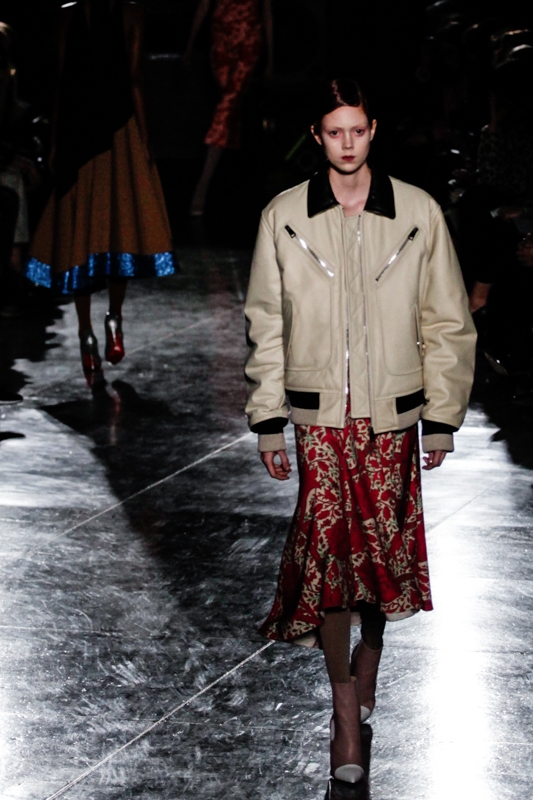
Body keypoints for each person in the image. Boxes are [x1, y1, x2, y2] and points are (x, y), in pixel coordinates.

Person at [244, 78, 476, 785]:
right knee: (330, 562)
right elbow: (266, 323)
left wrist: (440, 418)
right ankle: (344, 710)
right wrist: (268, 420)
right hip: (319, 419)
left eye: (357, 129)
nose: (346, 143)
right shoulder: (285, 216)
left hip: (390, 418)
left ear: (373, 130)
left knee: (379, 558)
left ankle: (368, 656)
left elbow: (446, 319)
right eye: (333, 131)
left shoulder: (417, 212)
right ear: (317, 137)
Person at [25, 0, 175, 386]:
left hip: (77, 135)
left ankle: (86, 334)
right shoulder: (132, 11)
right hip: (118, 135)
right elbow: (134, 78)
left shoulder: (67, 13)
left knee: (81, 236)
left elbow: (62, 80)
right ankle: (114, 318)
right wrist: (144, 140)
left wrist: (55, 142)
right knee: (116, 231)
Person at [184, 0, 273, 216]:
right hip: (221, 41)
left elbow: (266, 11)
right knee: (232, 112)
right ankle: (238, 183)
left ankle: (202, 187)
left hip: (248, 40)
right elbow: (204, 5)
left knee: (226, 107)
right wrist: (189, 44)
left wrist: (271, 58)